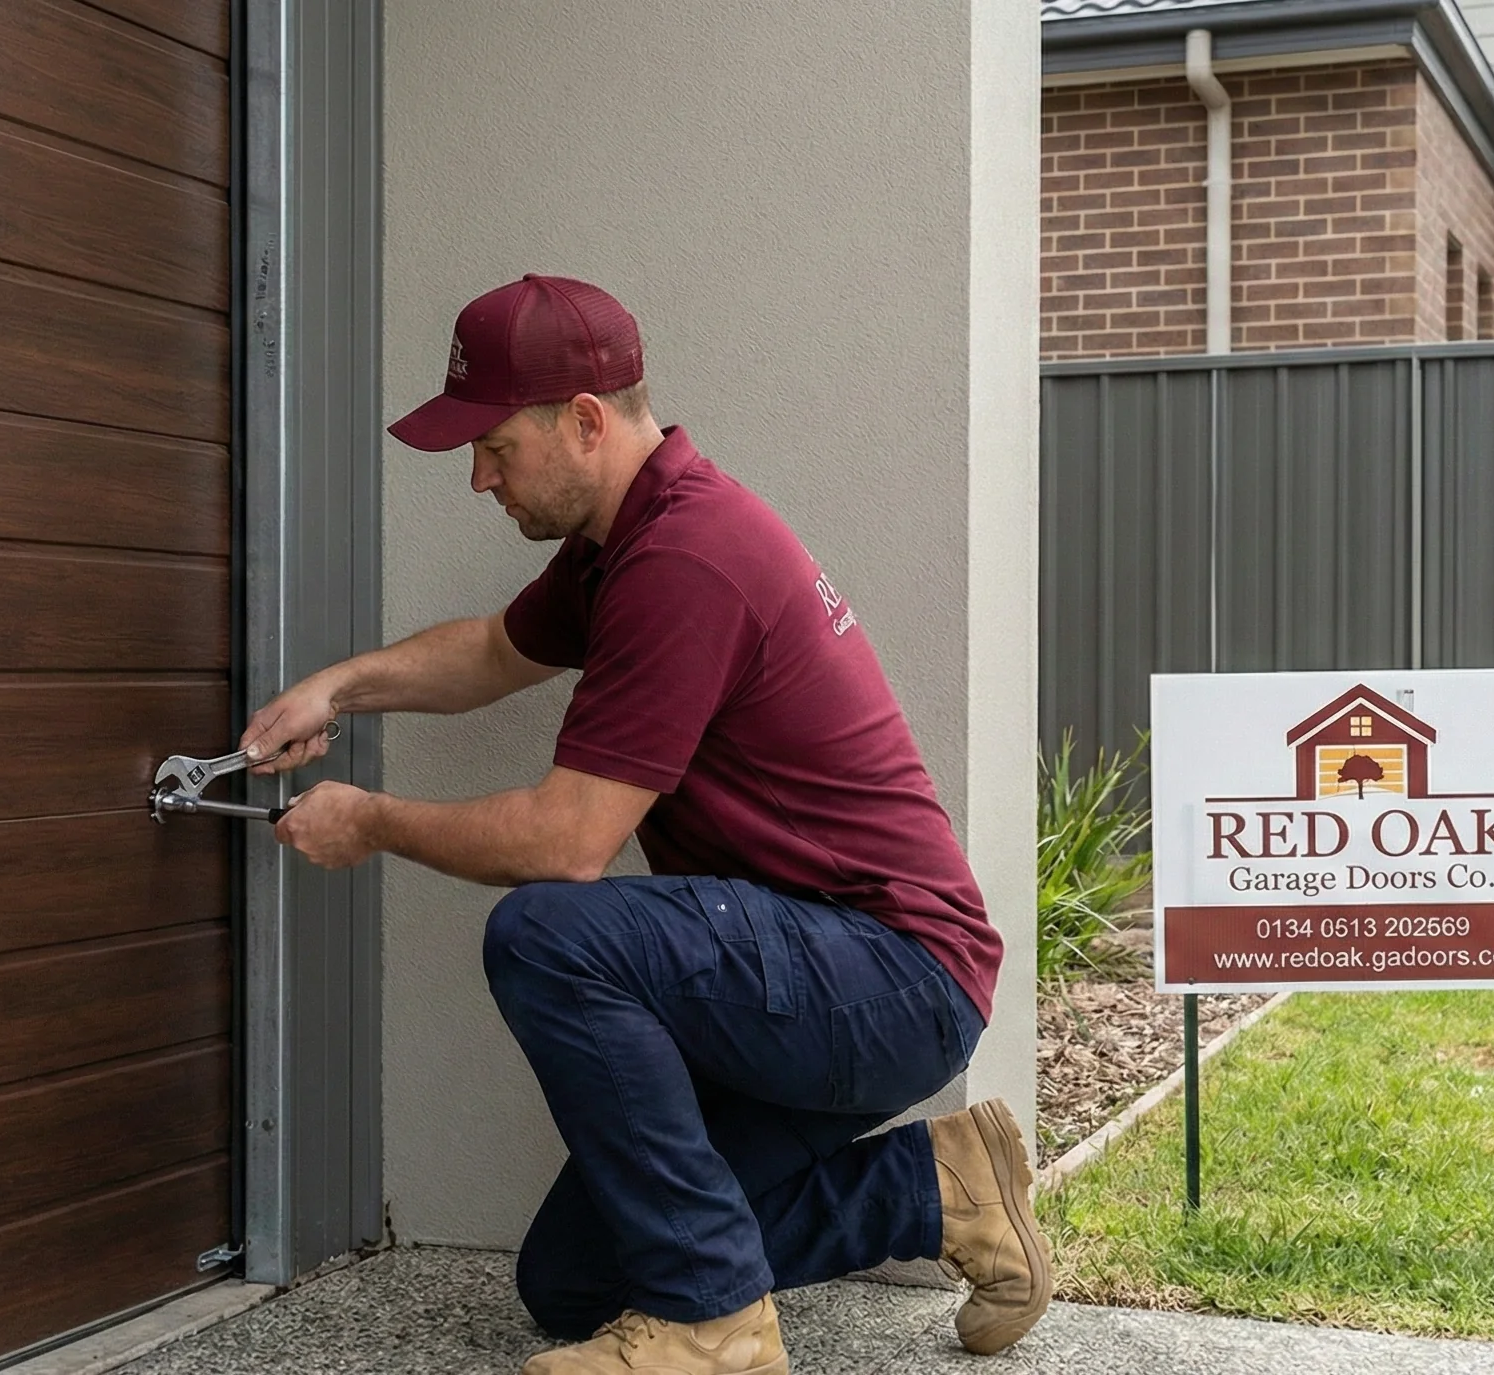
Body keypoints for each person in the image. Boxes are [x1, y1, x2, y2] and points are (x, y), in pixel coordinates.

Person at [240, 275, 1048, 1375]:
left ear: (582, 420)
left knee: (543, 931)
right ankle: (940, 1191)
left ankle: (712, 1322)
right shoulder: (623, 542)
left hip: (887, 978)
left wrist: (372, 821)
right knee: (571, 1284)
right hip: (799, 974)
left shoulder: (685, 556)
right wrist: (331, 690)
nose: (477, 479)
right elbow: (489, 652)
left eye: (494, 447)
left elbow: (564, 843)